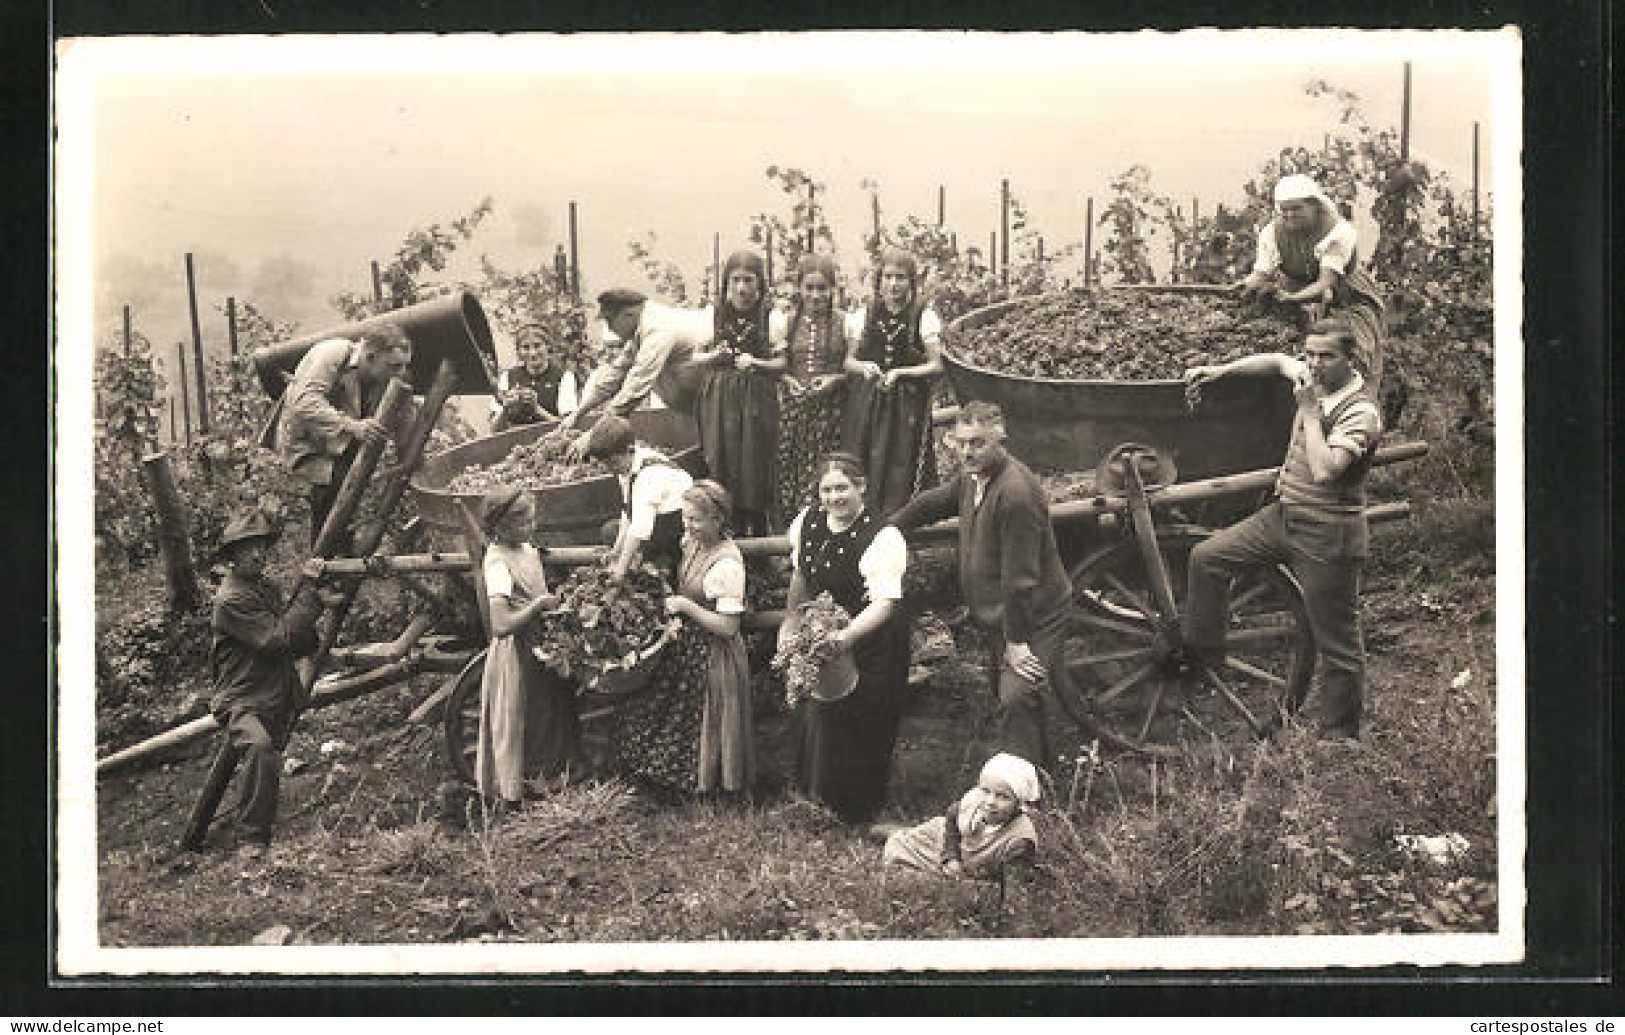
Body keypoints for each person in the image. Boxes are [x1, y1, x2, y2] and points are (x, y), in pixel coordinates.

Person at [1181, 318, 1383, 741]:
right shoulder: (1312, 376)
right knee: (1207, 557)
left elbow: (1327, 470)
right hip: (1285, 516)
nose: (1313, 364)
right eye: (1309, 353)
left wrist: (1309, 412)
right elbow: (1275, 362)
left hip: (1329, 534)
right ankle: (1205, 655)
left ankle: (1339, 737)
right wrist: (1219, 371)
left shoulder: (1362, 413)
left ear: (1351, 358)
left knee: (1338, 642)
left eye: (1326, 356)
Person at [889, 402, 1075, 772]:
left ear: (1000, 439)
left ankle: (1019, 794)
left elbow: (1020, 579)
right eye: (960, 443)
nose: (967, 453)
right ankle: (1041, 769)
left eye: (977, 443)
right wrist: (888, 527)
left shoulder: (1016, 493)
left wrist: (1018, 642)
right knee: (1008, 691)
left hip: (1035, 614)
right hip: (998, 612)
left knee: (1018, 693)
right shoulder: (975, 477)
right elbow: (935, 502)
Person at [782, 453, 910, 824]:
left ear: (862, 488)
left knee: (863, 717)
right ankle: (815, 797)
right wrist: (793, 623)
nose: (835, 497)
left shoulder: (883, 537)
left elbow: (884, 603)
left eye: (843, 488)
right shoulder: (807, 523)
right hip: (823, 630)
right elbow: (801, 576)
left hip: (872, 640)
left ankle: (857, 809)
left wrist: (846, 636)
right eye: (827, 489)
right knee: (818, 707)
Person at [207, 508, 333, 859]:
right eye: (247, 549)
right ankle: (252, 840)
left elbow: (292, 635)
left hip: (274, 691)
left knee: (269, 755)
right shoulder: (230, 599)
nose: (257, 554)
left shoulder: (264, 587)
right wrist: (311, 592)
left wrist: (317, 610)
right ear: (231, 557)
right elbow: (276, 639)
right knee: (260, 748)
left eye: (261, 546)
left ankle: (250, 824)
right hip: (241, 699)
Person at [615, 481, 753, 800]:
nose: (688, 526)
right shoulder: (691, 543)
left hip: (715, 653)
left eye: (695, 520)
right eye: (686, 518)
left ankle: (708, 785)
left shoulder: (728, 565)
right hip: (687, 642)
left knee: (701, 717)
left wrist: (686, 606)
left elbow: (729, 627)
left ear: (718, 520)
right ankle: (663, 777)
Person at [474, 488, 577, 808]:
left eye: (533, 519)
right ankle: (530, 790)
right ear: (500, 528)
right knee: (531, 717)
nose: (531, 527)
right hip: (518, 649)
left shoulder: (524, 548)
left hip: (540, 643)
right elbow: (501, 624)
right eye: (523, 523)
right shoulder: (497, 564)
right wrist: (537, 607)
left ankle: (553, 781)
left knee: (552, 711)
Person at [1237, 173, 1387, 391]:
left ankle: (1353, 407)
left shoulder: (1337, 233)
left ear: (1315, 205)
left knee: (1352, 356)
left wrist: (1292, 298)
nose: (1289, 215)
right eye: (1284, 209)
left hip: (1346, 298)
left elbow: (1326, 284)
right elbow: (1260, 274)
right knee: (1292, 355)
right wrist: (1246, 285)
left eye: (1296, 209)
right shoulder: (1272, 233)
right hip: (1297, 296)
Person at [273, 325, 413, 543]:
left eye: (404, 365)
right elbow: (303, 403)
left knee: (349, 499)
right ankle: (322, 566)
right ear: (371, 357)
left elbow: (404, 421)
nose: (401, 372)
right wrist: (353, 426)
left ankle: (342, 560)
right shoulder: (332, 355)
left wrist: (409, 459)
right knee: (329, 498)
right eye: (394, 366)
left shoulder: (389, 375)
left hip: (344, 444)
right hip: (310, 444)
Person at [842, 248, 944, 516]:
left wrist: (901, 373)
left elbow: (937, 365)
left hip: (906, 403)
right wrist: (864, 367)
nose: (893, 284)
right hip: (869, 400)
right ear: (879, 281)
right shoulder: (866, 314)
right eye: (888, 277)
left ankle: (901, 521)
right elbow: (848, 361)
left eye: (900, 277)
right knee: (866, 455)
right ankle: (864, 516)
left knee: (901, 459)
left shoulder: (922, 316)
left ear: (911, 282)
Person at [691, 249, 782, 535]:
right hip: (719, 399)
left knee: (755, 463)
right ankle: (728, 532)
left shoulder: (772, 317)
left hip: (757, 398)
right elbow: (695, 357)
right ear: (727, 283)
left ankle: (760, 539)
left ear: (760, 284)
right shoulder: (713, 315)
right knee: (722, 461)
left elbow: (782, 363)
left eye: (749, 280)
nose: (742, 288)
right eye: (736, 280)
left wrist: (756, 362)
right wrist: (713, 356)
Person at [557, 289, 712, 456]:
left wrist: (593, 435)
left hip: (715, 393)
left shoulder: (657, 329)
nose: (609, 328)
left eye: (610, 321)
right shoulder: (641, 328)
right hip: (697, 401)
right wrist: (577, 414)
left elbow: (636, 386)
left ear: (628, 315)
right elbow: (616, 373)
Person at [769, 255, 851, 529]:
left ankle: (829, 525)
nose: (816, 296)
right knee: (790, 469)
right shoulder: (787, 323)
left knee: (828, 468)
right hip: (795, 410)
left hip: (832, 412)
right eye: (809, 288)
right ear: (799, 289)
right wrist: (789, 381)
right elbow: (779, 366)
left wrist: (835, 380)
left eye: (822, 289)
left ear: (832, 290)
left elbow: (851, 368)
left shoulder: (844, 323)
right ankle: (793, 533)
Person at [881, 752, 1040, 879]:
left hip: (974, 863)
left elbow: (1013, 884)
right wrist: (951, 856)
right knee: (902, 843)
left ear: (1019, 803)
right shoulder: (974, 803)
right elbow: (953, 814)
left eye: (1003, 796)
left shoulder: (1019, 840)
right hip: (953, 841)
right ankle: (896, 833)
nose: (990, 801)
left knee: (938, 879)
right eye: (985, 791)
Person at [581, 413, 693, 585]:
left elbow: (640, 528)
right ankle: (640, 562)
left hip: (677, 526)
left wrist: (620, 571)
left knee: (641, 557)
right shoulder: (627, 466)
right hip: (657, 520)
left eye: (612, 463)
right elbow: (629, 511)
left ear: (630, 450)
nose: (609, 469)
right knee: (611, 531)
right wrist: (617, 550)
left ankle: (662, 570)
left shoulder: (649, 475)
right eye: (605, 464)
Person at [490, 322, 577, 431]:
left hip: (550, 439)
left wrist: (537, 409)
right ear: (519, 351)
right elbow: (494, 430)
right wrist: (506, 408)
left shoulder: (564, 377)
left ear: (548, 346)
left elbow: (567, 427)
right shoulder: (508, 377)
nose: (532, 353)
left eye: (537, 345)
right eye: (526, 347)